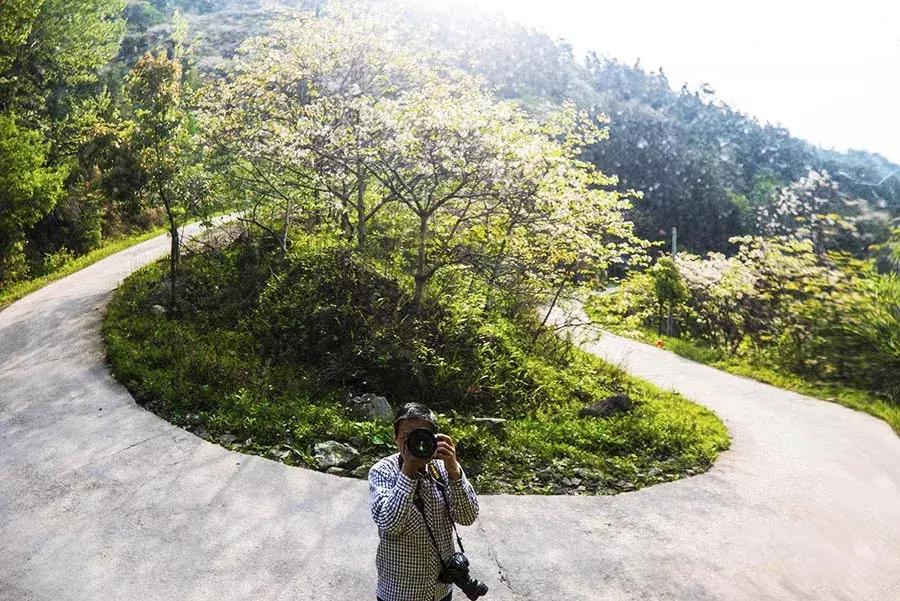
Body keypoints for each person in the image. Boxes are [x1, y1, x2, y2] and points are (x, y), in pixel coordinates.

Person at [368, 402, 480, 601]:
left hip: (439, 590)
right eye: (406, 438)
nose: (414, 445)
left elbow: (468, 517)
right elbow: (389, 524)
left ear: (434, 439)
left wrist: (454, 470)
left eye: (421, 437)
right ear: (395, 438)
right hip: (399, 592)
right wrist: (408, 472)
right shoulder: (382, 471)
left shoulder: (443, 469)